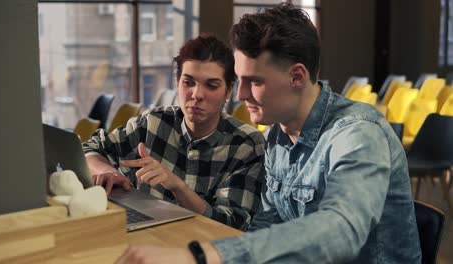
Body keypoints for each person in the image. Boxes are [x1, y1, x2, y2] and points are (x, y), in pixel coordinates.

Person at [115, 3, 421, 264]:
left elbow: (341, 229)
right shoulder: (278, 134)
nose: (241, 94)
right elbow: (266, 226)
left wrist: (203, 255)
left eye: (255, 82)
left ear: (297, 76)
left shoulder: (358, 135)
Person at [82, 35, 265, 230]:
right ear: (177, 83)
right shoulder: (154, 122)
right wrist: (107, 171)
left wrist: (177, 186)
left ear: (229, 90)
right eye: (188, 82)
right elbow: (91, 147)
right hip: (146, 238)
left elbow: (231, 225)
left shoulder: (246, 145)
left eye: (211, 85)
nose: (196, 95)